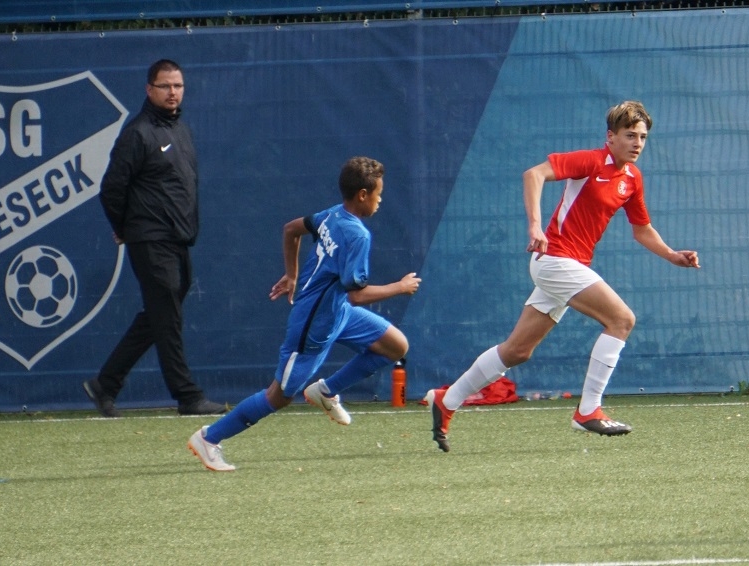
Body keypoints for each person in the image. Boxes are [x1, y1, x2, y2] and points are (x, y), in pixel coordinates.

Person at [425, 101, 700, 452]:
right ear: (610, 137)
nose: (637, 143)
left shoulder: (632, 179)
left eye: (642, 137)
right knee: (621, 320)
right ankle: (588, 410)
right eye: (630, 135)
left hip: (570, 266)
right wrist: (535, 226)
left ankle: (447, 400)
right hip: (554, 260)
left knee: (518, 351)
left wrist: (673, 255)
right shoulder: (591, 161)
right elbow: (533, 174)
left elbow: (642, 229)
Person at [188, 156, 421, 471]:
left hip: (337, 312)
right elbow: (357, 294)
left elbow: (291, 230)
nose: (381, 200)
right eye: (378, 193)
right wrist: (400, 287)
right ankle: (209, 437)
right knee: (280, 395)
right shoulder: (357, 235)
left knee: (395, 346)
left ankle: (326, 391)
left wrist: (292, 274)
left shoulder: (332, 214)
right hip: (314, 324)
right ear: (363, 194)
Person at [83, 59, 225, 417]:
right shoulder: (138, 133)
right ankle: (188, 396)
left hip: (178, 240)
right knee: (168, 318)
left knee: (160, 315)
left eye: (178, 86)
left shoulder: (181, 131)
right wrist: (125, 228)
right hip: (150, 239)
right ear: (150, 90)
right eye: (165, 86)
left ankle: (106, 383)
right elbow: (112, 188)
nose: (172, 92)